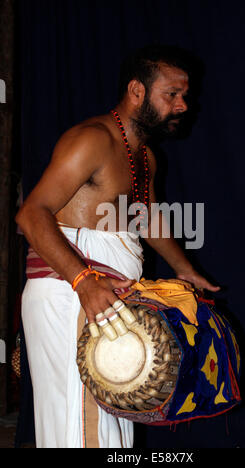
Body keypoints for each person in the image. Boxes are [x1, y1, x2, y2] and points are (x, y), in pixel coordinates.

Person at [16, 44, 220, 449]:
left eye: (184, 96)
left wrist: (184, 270)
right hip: (71, 293)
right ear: (136, 91)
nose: (181, 105)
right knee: (82, 428)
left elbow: (144, 216)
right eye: (171, 95)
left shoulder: (145, 155)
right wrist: (84, 282)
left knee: (108, 426)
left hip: (102, 295)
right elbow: (31, 215)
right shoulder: (91, 139)